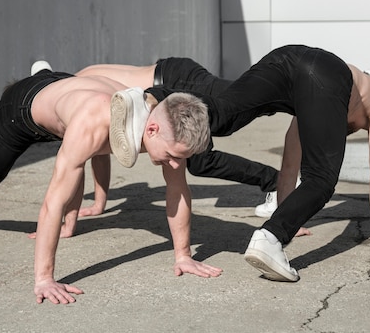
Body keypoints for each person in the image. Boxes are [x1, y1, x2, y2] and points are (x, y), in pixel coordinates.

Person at [0, 63, 222, 305]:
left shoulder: (160, 119)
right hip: (24, 111)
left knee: (84, 149)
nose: (174, 165)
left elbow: (175, 189)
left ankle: (43, 74)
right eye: (170, 157)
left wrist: (183, 255)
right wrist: (44, 279)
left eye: (179, 158)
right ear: (151, 129)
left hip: (64, 87)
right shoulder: (94, 123)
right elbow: (53, 202)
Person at [130, 45, 370, 282]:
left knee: (224, 114)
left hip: (288, 58)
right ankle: (269, 240)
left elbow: (290, 162)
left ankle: (150, 101)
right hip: (324, 72)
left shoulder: (317, 103)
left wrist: (288, 216)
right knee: (321, 178)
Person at [74, 58, 280, 222]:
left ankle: (279, 181)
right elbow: (99, 149)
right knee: (202, 158)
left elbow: (86, 153)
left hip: (175, 82)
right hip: (170, 78)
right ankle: (275, 180)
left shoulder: (80, 91)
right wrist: (99, 204)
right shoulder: (81, 79)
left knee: (245, 102)